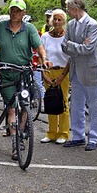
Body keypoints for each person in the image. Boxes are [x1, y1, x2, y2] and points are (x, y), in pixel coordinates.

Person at [0, 0, 51, 160]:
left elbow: (39, 46)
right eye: (12, 10)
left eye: (18, 11)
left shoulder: (29, 28)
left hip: (24, 73)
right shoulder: (1, 27)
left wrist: (44, 59)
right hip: (7, 73)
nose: (14, 13)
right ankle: (15, 142)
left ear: (23, 13)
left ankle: (21, 134)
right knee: (12, 108)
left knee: (25, 106)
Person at [62, 0, 97, 151]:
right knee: (76, 106)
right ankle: (78, 136)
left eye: (68, 9)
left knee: (94, 107)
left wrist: (71, 45)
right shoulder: (71, 24)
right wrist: (76, 45)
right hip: (76, 71)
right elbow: (63, 46)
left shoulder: (92, 24)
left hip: (90, 70)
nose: (67, 11)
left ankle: (93, 138)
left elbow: (89, 49)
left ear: (76, 8)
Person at [40, 9, 70, 145]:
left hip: (63, 72)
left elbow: (71, 58)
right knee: (50, 101)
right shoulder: (45, 36)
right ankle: (51, 133)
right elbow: (41, 55)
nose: (57, 22)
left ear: (64, 21)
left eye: (60, 19)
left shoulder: (67, 37)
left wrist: (62, 76)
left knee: (63, 102)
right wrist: (43, 73)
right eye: (55, 19)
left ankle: (63, 133)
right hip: (48, 71)